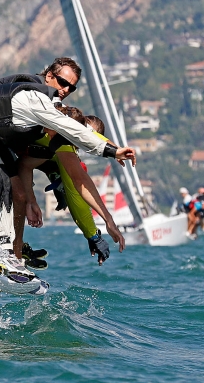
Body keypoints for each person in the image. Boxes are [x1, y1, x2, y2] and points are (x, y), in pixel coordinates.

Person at [0, 57, 136, 262]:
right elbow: (73, 134)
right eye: (63, 83)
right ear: (49, 76)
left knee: (19, 193)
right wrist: (111, 151)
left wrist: (31, 200)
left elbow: (33, 163)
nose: (66, 90)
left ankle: (13, 254)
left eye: (72, 87)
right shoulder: (41, 104)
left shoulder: (56, 116)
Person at [18, 110, 128, 266]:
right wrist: (93, 236)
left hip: (17, 153)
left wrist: (31, 200)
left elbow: (25, 164)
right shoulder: (64, 138)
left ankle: (16, 246)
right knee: (76, 170)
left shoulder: (64, 146)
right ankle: (13, 248)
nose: (82, 139)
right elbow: (78, 185)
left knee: (71, 167)